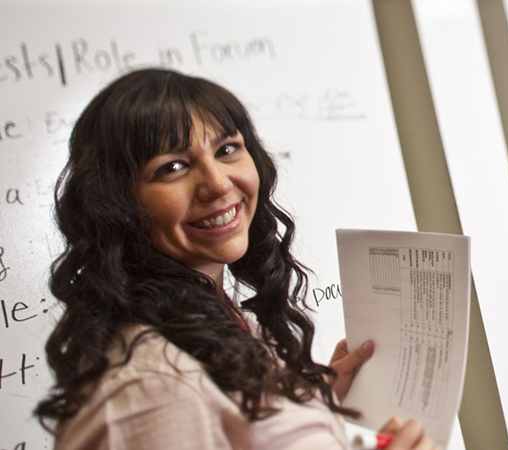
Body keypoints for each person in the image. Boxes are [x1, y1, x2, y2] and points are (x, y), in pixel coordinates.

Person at [34, 69, 438, 450]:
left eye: (227, 149)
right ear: (116, 203)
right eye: (172, 167)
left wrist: (314, 399)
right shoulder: (151, 386)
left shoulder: (214, 327)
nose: (217, 183)